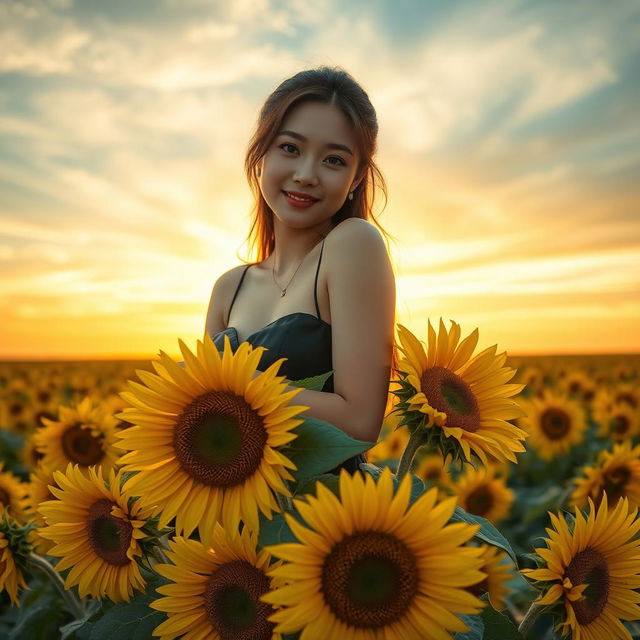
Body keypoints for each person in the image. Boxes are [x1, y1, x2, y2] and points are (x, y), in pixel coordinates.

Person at [205, 66, 397, 473]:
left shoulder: (352, 245)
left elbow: (360, 423)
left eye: (332, 159)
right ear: (261, 155)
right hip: (240, 524)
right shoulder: (228, 288)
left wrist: (223, 390)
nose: (306, 175)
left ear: (356, 177)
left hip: (328, 524)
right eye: (290, 148)